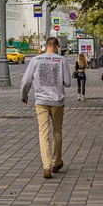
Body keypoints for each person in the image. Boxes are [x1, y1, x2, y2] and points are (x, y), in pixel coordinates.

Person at [21, 36, 71, 179]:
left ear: (46, 46)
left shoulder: (36, 60)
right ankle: (56, 162)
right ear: (56, 47)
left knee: (43, 133)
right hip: (57, 102)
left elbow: (26, 81)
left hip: (41, 101)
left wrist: (24, 95)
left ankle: (47, 167)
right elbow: (67, 82)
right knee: (57, 132)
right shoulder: (61, 60)